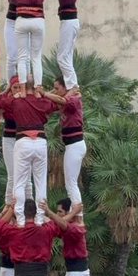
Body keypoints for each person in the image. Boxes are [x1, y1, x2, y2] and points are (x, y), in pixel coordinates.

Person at [0, 79, 60, 223]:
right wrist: (45, 94)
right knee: (40, 182)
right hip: (40, 141)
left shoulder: (16, 101)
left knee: (19, 182)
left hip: (23, 141)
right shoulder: (41, 101)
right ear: (35, 88)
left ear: (23, 86)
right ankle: (40, 218)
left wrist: (7, 93)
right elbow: (57, 105)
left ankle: (21, 220)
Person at [51, 79, 86, 207]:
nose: (55, 91)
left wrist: (44, 93)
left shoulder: (74, 100)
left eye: (57, 88)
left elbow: (63, 101)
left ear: (66, 88)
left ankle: (78, 214)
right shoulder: (68, 98)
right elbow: (51, 100)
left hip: (75, 144)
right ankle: (76, 211)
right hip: (71, 145)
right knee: (70, 182)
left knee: (71, 183)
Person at [56, 0, 80, 89]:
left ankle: (72, 86)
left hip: (69, 21)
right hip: (67, 21)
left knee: (62, 57)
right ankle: (70, 84)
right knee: (67, 56)